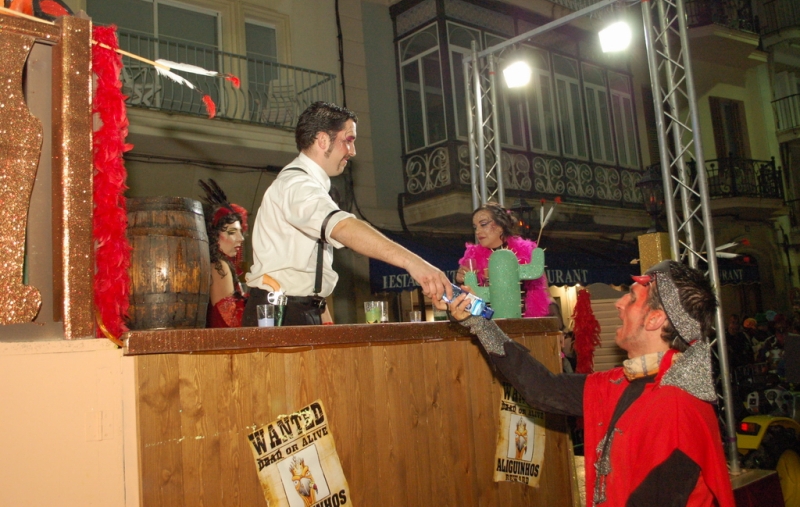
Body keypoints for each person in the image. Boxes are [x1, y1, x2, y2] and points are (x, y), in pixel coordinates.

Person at [439, 260, 735, 507]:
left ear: (656, 319)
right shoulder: (622, 381)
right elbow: (543, 390)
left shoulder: (679, 409)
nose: (619, 303)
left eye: (631, 297)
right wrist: (479, 323)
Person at [242, 101, 451, 326]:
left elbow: (307, 270)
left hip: (297, 309)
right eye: (348, 140)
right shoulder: (297, 184)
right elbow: (342, 227)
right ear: (323, 140)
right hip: (280, 313)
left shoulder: (305, 183)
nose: (352, 151)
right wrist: (413, 263)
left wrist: (322, 315)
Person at [455, 203, 551, 317]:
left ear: (501, 226)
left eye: (483, 224)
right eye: (475, 227)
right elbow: (465, 305)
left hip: (525, 325)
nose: (477, 231)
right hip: (489, 325)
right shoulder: (472, 258)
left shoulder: (527, 254)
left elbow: (544, 295)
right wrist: (460, 282)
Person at [199, 179, 249, 328]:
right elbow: (231, 321)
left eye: (241, 232)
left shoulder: (217, 265)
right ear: (214, 235)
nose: (240, 239)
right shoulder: (220, 267)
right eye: (232, 232)